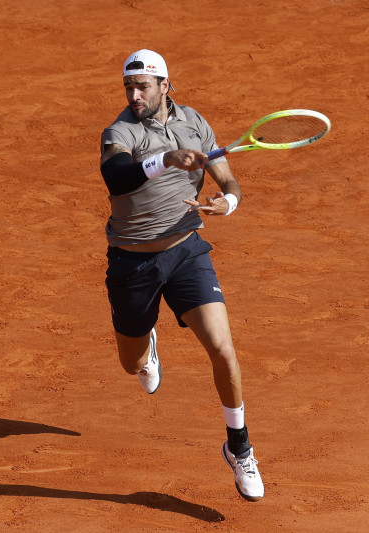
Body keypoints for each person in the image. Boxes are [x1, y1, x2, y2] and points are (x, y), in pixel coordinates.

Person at [98, 49, 264, 501]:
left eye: (143, 87)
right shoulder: (121, 131)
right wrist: (167, 160)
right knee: (130, 363)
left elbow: (229, 181)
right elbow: (118, 177)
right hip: (133, 262)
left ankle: (239, 445)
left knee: (224, 350)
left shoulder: (195, 122)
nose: (134, 95)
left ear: (165, 86)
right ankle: (146, 344)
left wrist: (225, 203)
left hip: (187, 251)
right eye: (128, 87)